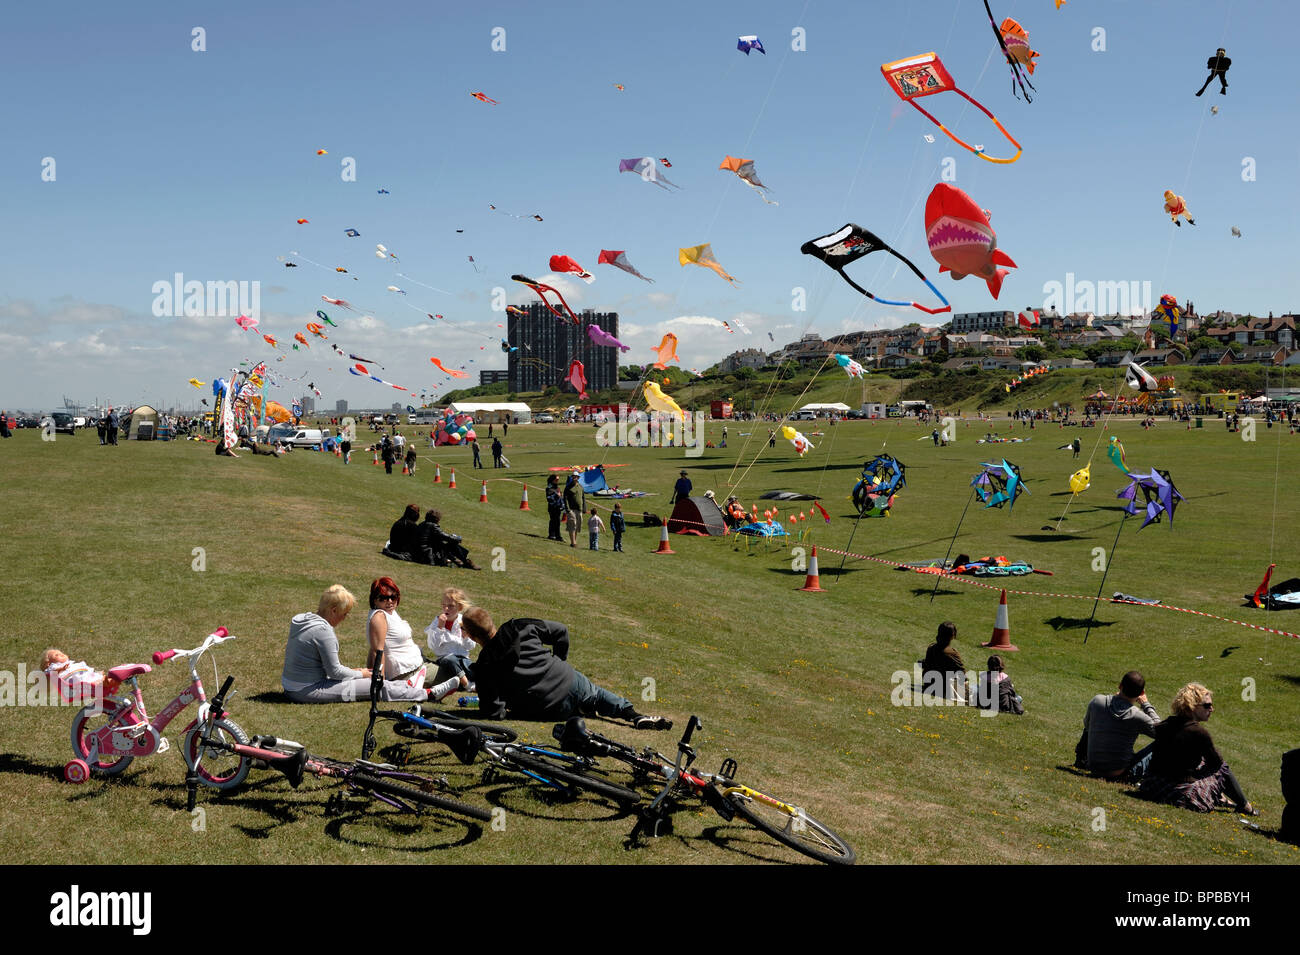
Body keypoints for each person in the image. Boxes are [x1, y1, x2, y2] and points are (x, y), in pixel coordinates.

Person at [462, 608, 671, 728]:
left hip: (548, 708)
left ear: (471, 636)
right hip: (569, 681)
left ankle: (583, 709)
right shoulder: (519, 626)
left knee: (585, 700)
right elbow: (561, 631)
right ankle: (631, 714)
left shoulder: (484, 667)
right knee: (595, 693)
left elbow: (494, 712)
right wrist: (559, 660)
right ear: (490, 620)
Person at [281, 584, 454, 703]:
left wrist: (359, 672)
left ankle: (408, 686)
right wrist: (363, 674)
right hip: (307, 690)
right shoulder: (324, 631)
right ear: (333, 610)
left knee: (368, 677)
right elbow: (334, 672)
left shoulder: (302, 619)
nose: (345, 618)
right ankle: (428, 694)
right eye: (344, 613)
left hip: (293, 685)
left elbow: (327, 668)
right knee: (376, 686)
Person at [1138, 683, 1256, 815]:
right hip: (1179, 794)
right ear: (1192, 706)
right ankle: (1245, 805)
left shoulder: (1164, 725)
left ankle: (1229, 800)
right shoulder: (1199, 733)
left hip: (1151, 787)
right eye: (1207, 705)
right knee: (1223, 768)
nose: (1211, 709)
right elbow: (1216, 763)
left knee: (1201, 763)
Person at [365, 577, 458, 698]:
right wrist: (379, 682)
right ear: (375, 600)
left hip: (417, 664)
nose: (389, 601)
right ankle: (413, 685)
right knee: (455, 674)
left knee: (455, 667)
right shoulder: (379, 617)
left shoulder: (389, 612)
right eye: (383, 598)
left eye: (393, 597)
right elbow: (377, 651)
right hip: (408, 672)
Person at [1075, 671, 1161, 780]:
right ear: (1142, 693)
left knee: (1092, 724)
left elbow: (1087, 726)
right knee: (1164, 742)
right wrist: (1146, 705)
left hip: (1093, 767)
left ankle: (1081, 760)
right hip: (1120, 773)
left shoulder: (1097, 701)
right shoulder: (1137, 716)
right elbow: (1163, 731)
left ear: (1120, 686)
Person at [425, 587, 476, 686]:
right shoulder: (437, 622)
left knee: (474, 668)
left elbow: (471, 646)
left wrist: (465, 637)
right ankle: (466, 684)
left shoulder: (463, 621)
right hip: (444, 659)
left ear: (460, 608)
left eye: (451, 606)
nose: (446, 609)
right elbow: (432, 646)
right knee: (450, 660)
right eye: (444, 605)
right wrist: (440, 627)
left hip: (463, 659)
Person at [920, 621, 966, 701]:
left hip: (928, 686)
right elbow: (962, 674)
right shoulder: (952, 653)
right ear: (952, 636)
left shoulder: (931, 647)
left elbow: (926, 664)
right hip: (943, 690)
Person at [545, 475, 564, 541]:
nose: (557, 481)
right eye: (556, 480)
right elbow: (549, 498)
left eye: (558, 480)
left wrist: (562, 505)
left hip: (558, 507)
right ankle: (552, 535)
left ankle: (558, 535)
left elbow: (561, 497)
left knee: (557, 521)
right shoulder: (549, 488)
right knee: (553, 521)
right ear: (552, 480)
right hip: (552, 508)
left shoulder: (557, 487)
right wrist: (557, 495)